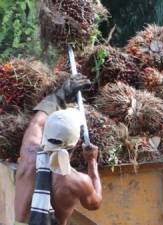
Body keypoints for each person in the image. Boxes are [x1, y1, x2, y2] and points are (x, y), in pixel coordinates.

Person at [14, 74, 102, 225]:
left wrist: (62, 93)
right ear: (75, 145)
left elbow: (36, 122)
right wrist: (92, 162)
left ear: (46, 133)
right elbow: (95, 204)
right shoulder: (78, 181)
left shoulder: (28, 152)